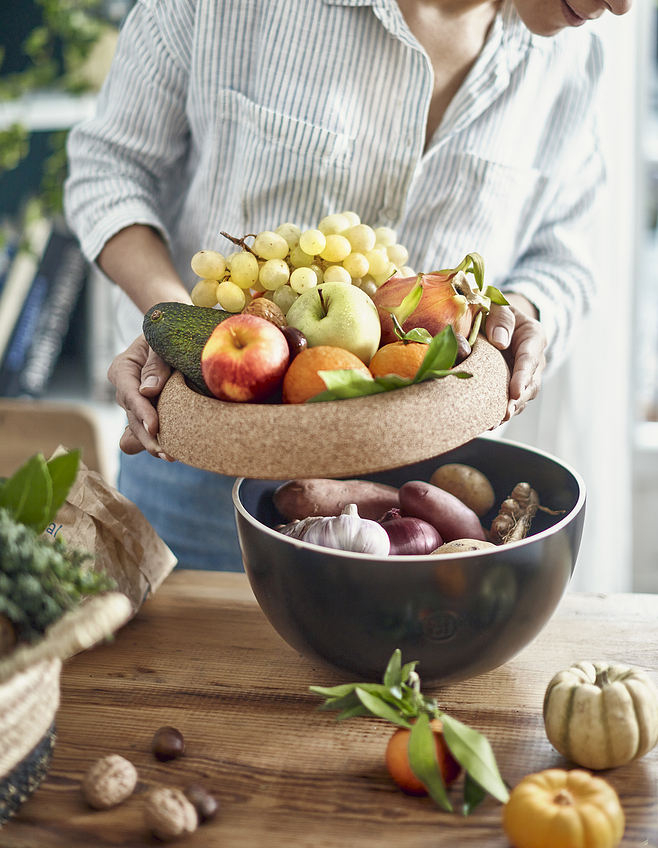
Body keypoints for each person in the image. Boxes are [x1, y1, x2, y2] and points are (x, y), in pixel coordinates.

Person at [64, 0, 632, 570]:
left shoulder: (575, 62)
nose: (624, 5)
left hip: (426, 495)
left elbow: (563, 255)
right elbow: (108, 171)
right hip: (209, 466)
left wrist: (521, 311)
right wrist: (179, 328)